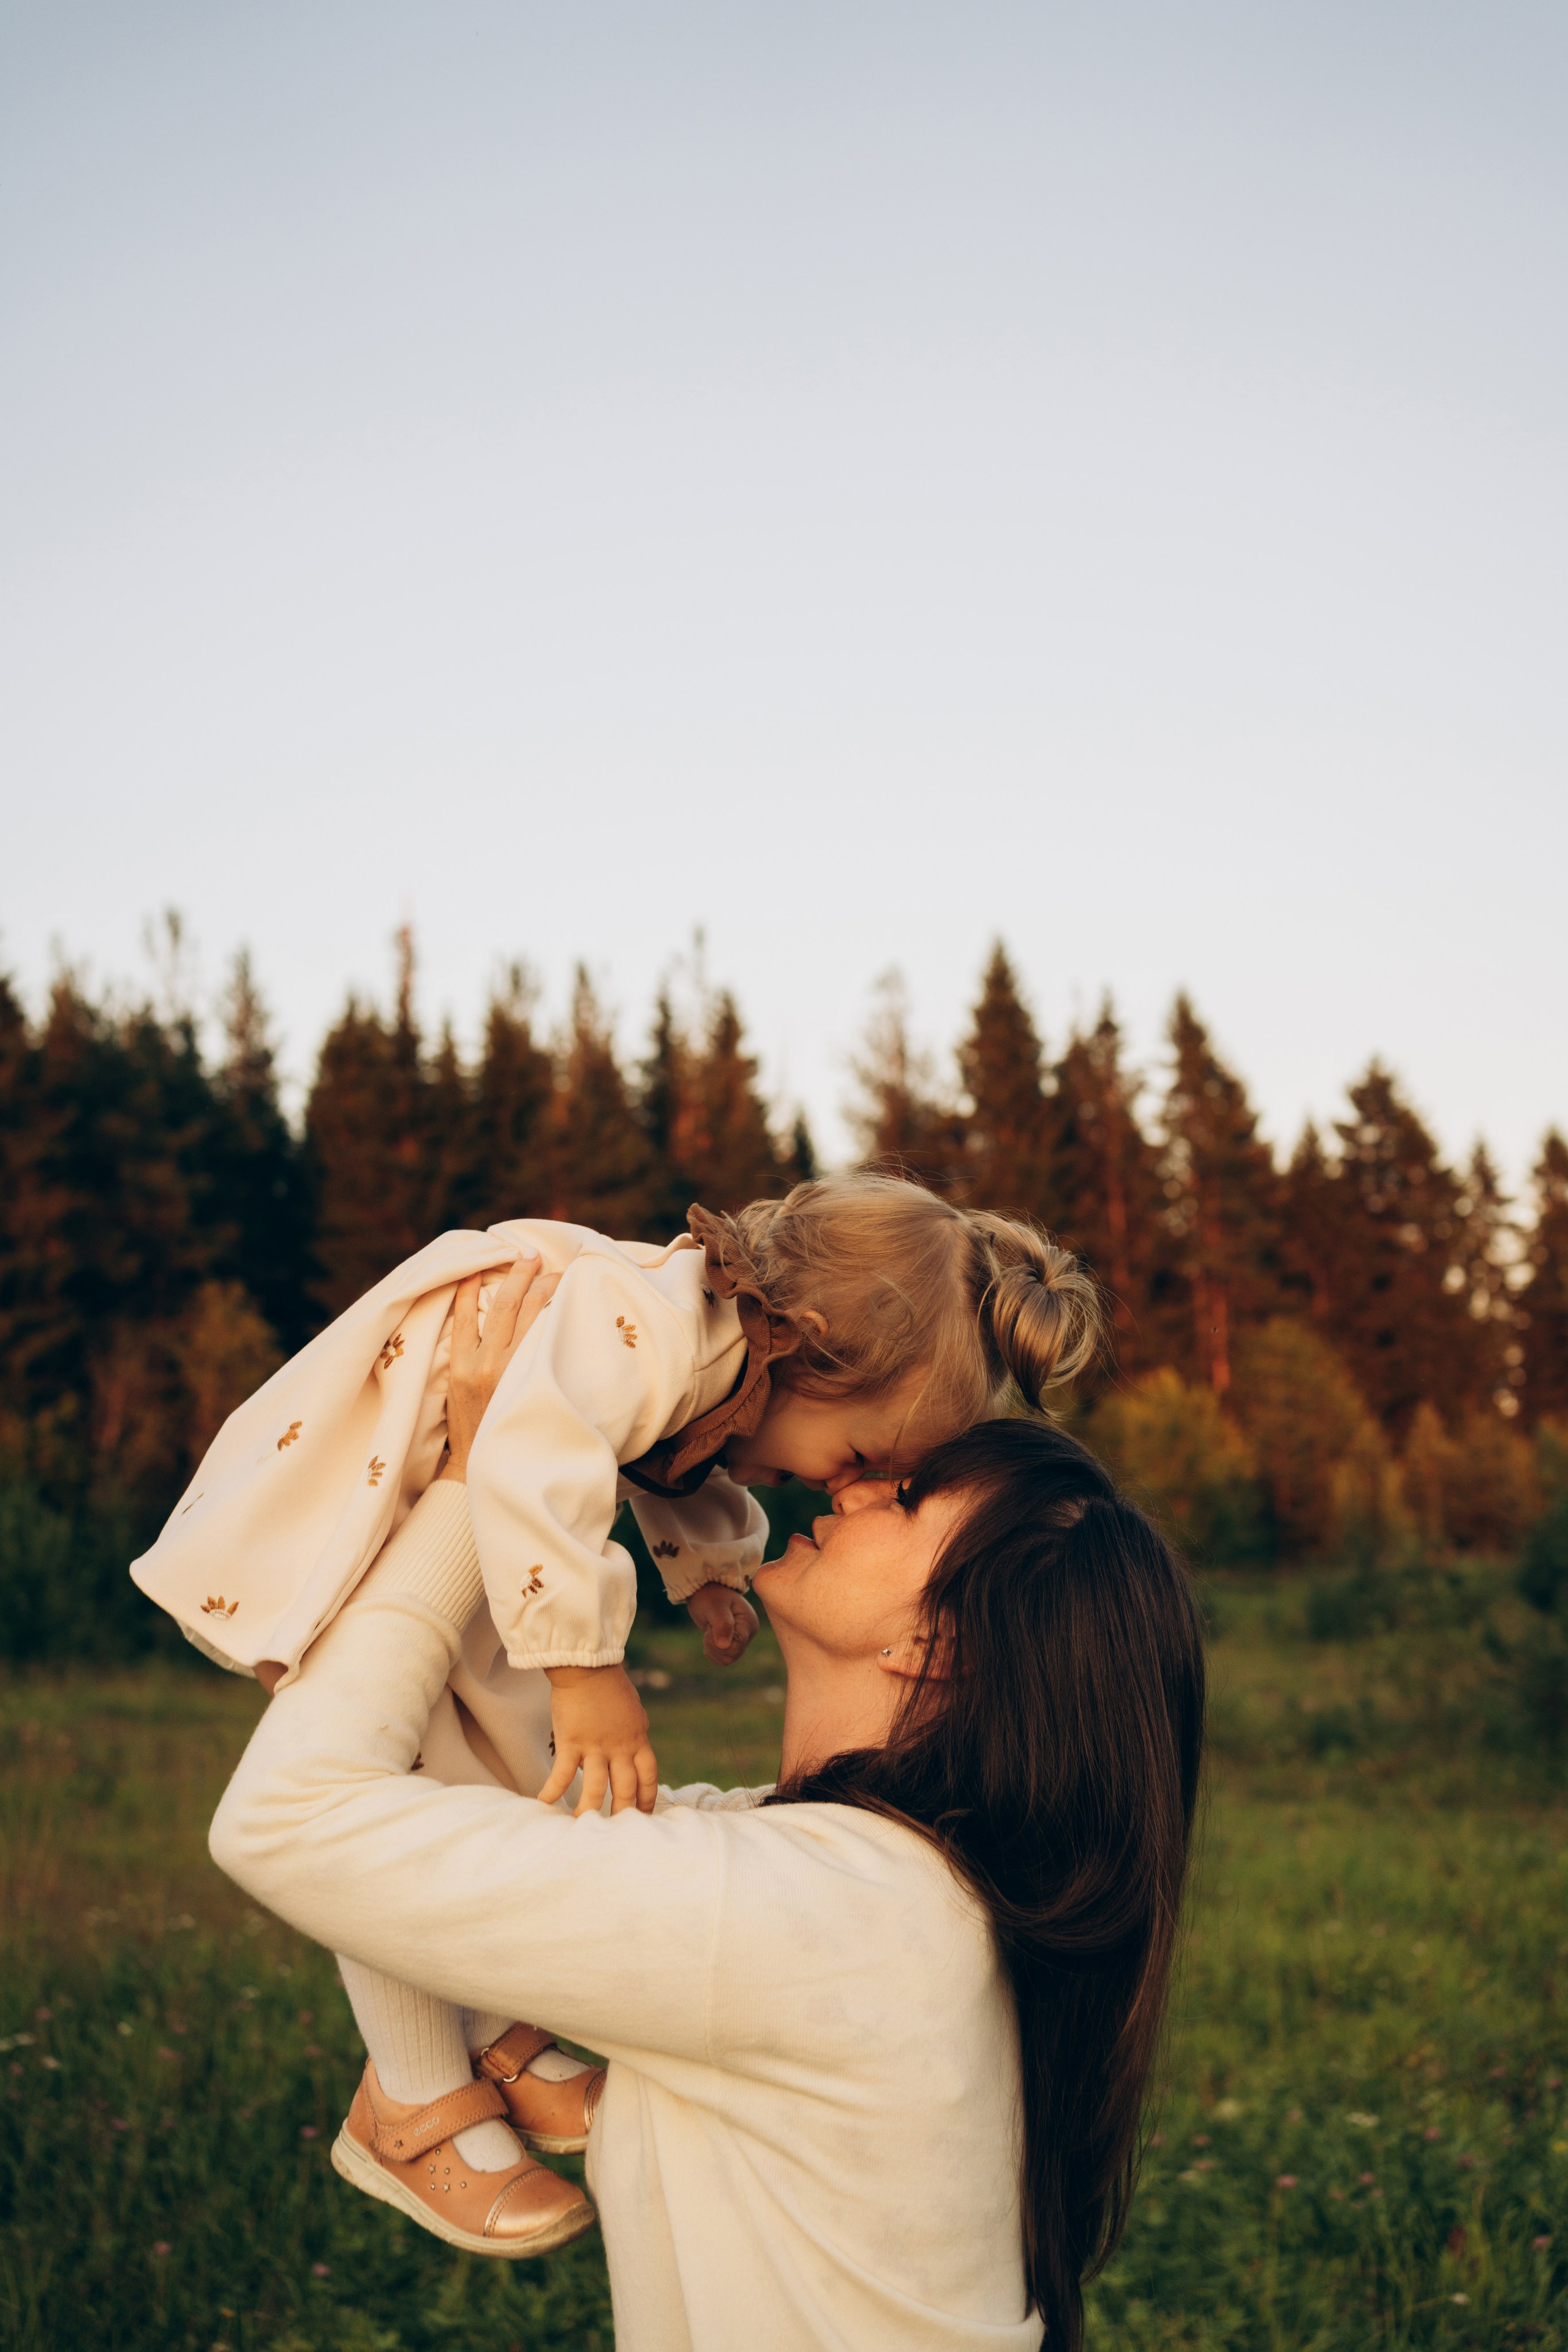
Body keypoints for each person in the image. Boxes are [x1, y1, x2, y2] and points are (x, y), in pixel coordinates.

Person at [210, 1253, 1205, 2352]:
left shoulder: (836, 1919)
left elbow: (289, 1816)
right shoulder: (865, 1886)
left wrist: (467, 1485)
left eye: (908, 1495)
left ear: (939, 1646)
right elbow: (457, 1806)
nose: (858, 1484)